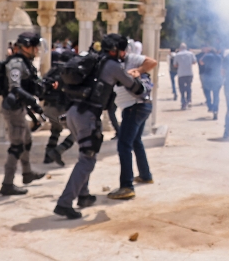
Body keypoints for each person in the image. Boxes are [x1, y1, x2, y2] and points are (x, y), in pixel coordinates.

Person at [54, 33, 145, 219]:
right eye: (122, 50)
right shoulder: (112, 65)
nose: (124, 54)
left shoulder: (94, 60)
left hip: (73, 112)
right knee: (87, 160)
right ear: (116, 50)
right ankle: (64, 203)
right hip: (87, 116)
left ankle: (84, 195)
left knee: (84, 155)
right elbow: (132, 86)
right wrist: (140, 86)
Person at [107, 47, 157, 200]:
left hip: (134, 107)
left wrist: (138, 70)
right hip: (139, 106)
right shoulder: (114, 63)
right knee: (136, 141)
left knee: (124, 145)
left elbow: (152, 62)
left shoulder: (131, 59)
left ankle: (126, 186)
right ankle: (145, 175)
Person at [0, 32, 46, 195]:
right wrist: (34, 103)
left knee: (27, 139)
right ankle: (7, 183)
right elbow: (15, 88)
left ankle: (27, 173)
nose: (37, 51)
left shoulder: (25, 63)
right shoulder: (16, 64)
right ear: (26, 47)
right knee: (17, 145)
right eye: (35, 47)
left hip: (19, 108)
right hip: (13, 110)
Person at [41, 50, 75, 166]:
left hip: (48, 108)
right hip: (60, 109)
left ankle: (47, 155)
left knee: (56, 129)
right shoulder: (68, 72)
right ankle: (57, 151)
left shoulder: (52, 70)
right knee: (76, 132)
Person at [199, 48, 223, 120]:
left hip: (208, 77)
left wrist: (205, 55)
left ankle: (210, 106)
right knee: (216, 95)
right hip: (217, 77)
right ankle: (215, 110)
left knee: (207, 92)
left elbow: (201, 62)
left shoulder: (207, 56)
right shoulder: (219, 56)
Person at [174, 43, 196, 110]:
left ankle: (183, 102)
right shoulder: (191, 54)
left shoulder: (177, 55)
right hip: (189, 73)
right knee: (189, 86)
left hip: (181, 73)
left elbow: (175, 65)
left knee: (182, 89)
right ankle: (189, 99)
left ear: (180, 48)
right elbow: (194, 62)